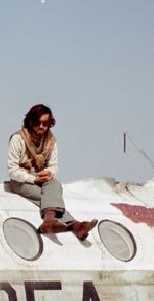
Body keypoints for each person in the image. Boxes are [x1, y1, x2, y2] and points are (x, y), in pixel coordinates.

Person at [6, 103, 97, 241]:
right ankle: (75, 226)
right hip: (21, 181)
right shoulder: (18, 139)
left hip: (42, 179)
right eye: (38, 122)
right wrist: (33, 179)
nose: (41, 126)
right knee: (49, 199)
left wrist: (48, 173)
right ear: (31, 121)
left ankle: (49, 223)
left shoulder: (50, 141)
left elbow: (54, 166)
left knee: (55, 185)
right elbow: (12, 170)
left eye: (45, 123)